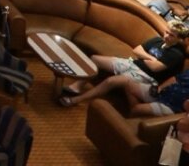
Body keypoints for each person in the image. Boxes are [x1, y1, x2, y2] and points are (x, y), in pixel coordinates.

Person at [60, 22, 189, 108]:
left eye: (171, 35)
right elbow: (136, 50)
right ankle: (77, 86)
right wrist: (150, 58)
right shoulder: (157, 40)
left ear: (179, 39)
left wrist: (145, 57)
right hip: (132, 63)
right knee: (95, 59)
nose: (166, 36)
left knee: (111, 81)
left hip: (146, 77)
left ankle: (77, 100)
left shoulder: (176, 54)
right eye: (166, 32)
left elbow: (154, 68)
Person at [124, 68, 189, 117]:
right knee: (129, 86)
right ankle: (136, 116)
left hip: (173, 106)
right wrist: (160, 88)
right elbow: (174, 79)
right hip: (163, 92)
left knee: (138, 109)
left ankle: (130, 121)